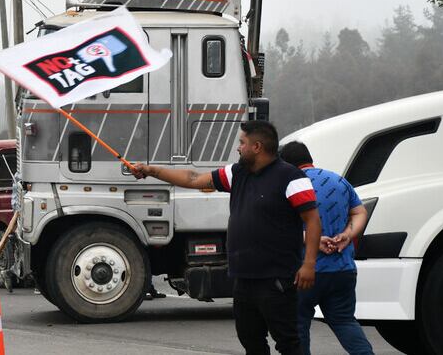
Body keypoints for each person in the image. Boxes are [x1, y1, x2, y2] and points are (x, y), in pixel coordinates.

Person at [132, 121, 321, 355]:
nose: (238, 148)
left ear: (257, 147)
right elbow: (193, 179)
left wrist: (309, 264)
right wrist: (152, 171)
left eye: (242, 143)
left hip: (276, 278)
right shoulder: (238, 173)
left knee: (288, 343)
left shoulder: (291, 177)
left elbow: (313, 220)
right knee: (250, 340)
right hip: (243, 277)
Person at [279, 141, 373, 355]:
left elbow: (280, 228)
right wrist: (348, 234)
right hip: (342, 268)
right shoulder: (338, 180)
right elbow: (360, 212)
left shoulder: (290, 185)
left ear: (286, 164)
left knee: (298, 324)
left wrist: (312, 239)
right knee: (344, 320)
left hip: (304, 271)